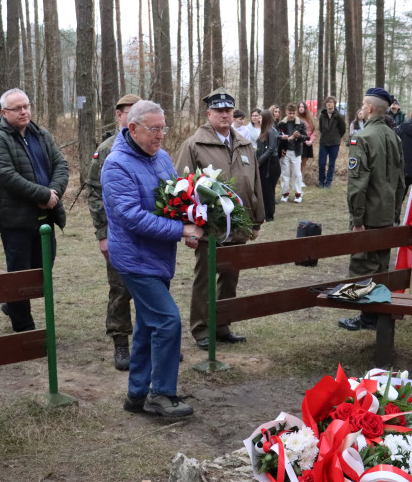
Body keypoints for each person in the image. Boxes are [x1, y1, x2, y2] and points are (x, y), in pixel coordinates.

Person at [102, 100, 202, 418]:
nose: (160, 135)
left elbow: (175, 199)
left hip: (159, 257)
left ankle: (137, 394)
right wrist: (180, 230)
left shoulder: (162, 158)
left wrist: (192, 221)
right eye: (154, 129)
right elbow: (132, 217)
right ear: (132, 129)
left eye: (163, 128)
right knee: (168, 321)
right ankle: (161, 394)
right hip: (135, 259)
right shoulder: (116, 165)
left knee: (148, 325)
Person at [174, 88, 265, 350]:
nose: (225, 115)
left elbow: (255, 183)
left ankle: (222, 325)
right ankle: (201, 328)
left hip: (239, 224)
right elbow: (181, 187)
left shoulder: (245, 144)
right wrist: (187, 226)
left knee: (230, 277)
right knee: (205, 278)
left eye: (228, 110)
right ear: (209, 114)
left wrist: (256, 221)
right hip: (208, 227)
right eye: (219, 111)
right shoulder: (194, 145)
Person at [0, 88, 69, 332]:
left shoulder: (41, 134)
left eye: (26, 106)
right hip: (16, 220)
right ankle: (23, 327)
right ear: (4, 113)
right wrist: (42, 195)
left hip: (45, 216)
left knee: (43, 269)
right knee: (19, 275)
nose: (24, 112)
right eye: (17, 108)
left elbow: (60, 165)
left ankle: (12, 305)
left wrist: (53, 193)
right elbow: (6, 175)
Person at [338, 88, 405, 332]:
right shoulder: (394, 137)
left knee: (363, 266)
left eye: (363, 104)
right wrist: (394, 212)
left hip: (368, 216)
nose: (362, 108)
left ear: (369, 108)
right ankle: (376, 315)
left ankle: (367, 318)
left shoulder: (362, 138)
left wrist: (357, 220)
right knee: (381, 266)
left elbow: (357, 185)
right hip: (387, 214)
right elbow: (401, 182)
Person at [88, 93, 141, 370]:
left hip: (147, 232)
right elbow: (95, 194)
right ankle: (121, 342)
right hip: (118, 234)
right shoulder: (108, 149)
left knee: (151, 287)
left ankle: (150, 342)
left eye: (138, 112)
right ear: (119, 116)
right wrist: (103, 234)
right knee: (120, 288)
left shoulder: (149, 145)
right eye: (129, 113)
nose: (134, 118)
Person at [277, 103, 307, 203]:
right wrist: (282, 146)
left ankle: (298, 194)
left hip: (296, 151)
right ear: (286, 112)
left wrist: (299, 136)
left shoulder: (301, 124)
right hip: (285, 151)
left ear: (296, 113)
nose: (291, 115)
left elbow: (305, 137)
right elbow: (278, 138)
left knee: (297, 173)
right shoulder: (281, 124)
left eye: (293, 113)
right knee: (284, 173)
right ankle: (285, 193)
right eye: (290, 113)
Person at [256, 107, 282, 222]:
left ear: (266, 118)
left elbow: (271, 149)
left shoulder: (271, 131)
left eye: (261, 118)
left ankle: (269, 215)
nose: (259, 120)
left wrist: (259, 161)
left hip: (271, 165)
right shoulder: (264, 131)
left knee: (269, 191)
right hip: (265, 164)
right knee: (265, 190)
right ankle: (265, 213)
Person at [316, 95, 346, 188]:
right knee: (322, 163)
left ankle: (328, 182)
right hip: (324, 142)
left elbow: (343, 129)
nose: (329, 104)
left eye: (331, 102)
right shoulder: (322, 116)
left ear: (334, 104)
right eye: (328, 102)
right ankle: (321, 181)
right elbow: (321, 128)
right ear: (326, 104)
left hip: (334, 143)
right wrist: (325, 135)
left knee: (331, 164)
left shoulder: (339, 116)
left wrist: (337, 137)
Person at [297, 101, 316, 176]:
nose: (301, 108)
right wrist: (303, 140)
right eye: (300, 107)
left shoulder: (309, 119)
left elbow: (313, 131)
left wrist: (311, 140)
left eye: (303, 107)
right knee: (297, 162)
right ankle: (297, 179)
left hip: (308, 142)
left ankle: (301, 180)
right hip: (299, 141)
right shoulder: (296, 119)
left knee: (304, 162)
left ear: (305, 108)